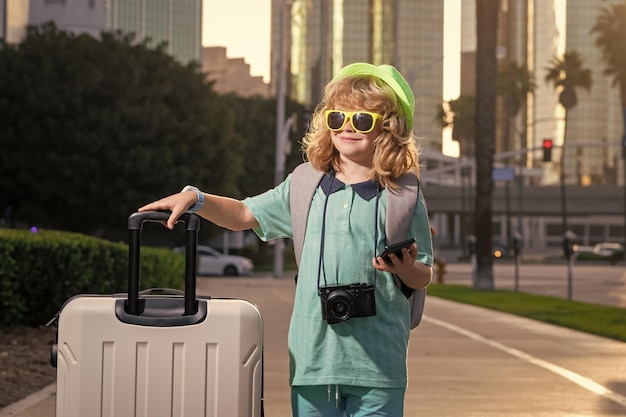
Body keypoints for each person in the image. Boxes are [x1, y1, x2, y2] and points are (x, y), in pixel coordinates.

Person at [139, 62, 433, 417]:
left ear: (389, 128)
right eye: (337, 118)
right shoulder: (304, 185)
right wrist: (196, 199)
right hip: (313, 361)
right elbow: (243, 214)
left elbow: (424, 274)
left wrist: (407, 269)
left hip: (380, 366)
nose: (347, 128)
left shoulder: (404, 195)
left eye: (362, 120)